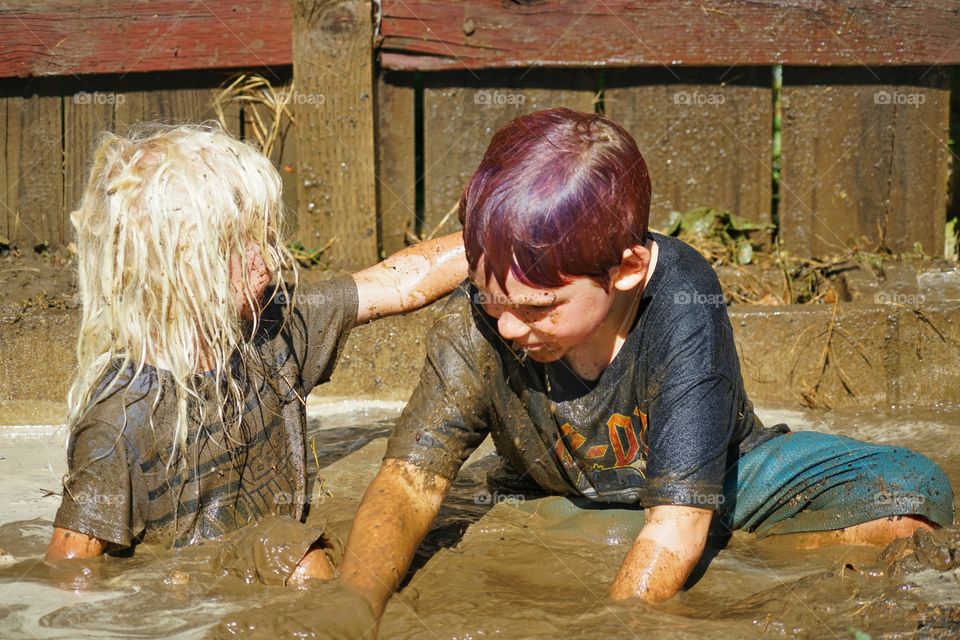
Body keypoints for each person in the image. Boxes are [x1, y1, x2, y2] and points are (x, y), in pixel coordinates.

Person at [337, 108, 955, 616]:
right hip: (559, 495)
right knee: (482, 524)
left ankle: (714, 546)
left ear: (628, 270)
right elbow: (408, 483)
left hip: (722, 480)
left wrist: (611, 626)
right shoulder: (488, 310)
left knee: (911, 497)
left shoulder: (683, 298)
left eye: (539, 307)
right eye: (490, 298)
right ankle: (657, 543)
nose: (506, 325)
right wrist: (348, 607)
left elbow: (676, 526)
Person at [44, 123, 466, 587]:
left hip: (268, 551)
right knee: (299, 560)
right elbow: (70, 571)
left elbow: (393, 285)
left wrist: (494, 239)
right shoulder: (119, 421)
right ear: (175, 266)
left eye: (263, 238)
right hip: (192, 586)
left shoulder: (273, 329)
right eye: (239, 244)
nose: (267, 259)